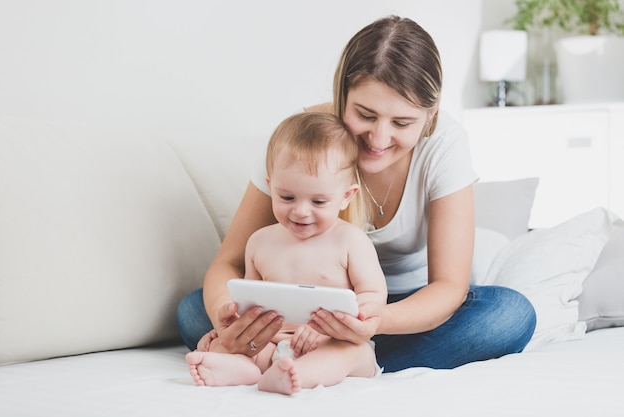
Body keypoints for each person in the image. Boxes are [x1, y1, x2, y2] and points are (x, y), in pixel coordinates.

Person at [177, 15, 536, 373]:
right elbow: (229, 261)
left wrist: (373, 321)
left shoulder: (445, 146)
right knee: (195, 311)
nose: (379, 140)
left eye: (402, 123)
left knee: (509, 315)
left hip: (401, 311)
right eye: (365, 115)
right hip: (303, 314)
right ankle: (330, 362)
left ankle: (332, 360)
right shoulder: (301, 139)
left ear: (431, 113)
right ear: (342, 96)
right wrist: (232, 322)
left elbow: (448, 287)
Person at [185, 112, 387, 395]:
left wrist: (336, 326)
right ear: (270, 187)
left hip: (330, 341)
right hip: (272, 342)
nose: (301, 211)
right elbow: (250, 301)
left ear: (346, 197)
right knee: (229, 344)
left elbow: (373, 296)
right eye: (287, 197)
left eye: (318, 201)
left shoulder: (351, 241)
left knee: (354, 353)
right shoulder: (259, 242)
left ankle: (299, 374)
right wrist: (232, 326)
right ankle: (241, 369)